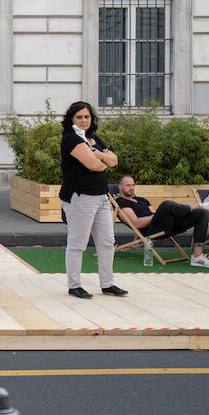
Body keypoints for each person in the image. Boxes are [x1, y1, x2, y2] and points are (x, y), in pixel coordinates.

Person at [59, 101, 127, 299]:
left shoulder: (93, 139)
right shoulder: (71, 139)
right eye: (79, 117)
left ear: (91, 118)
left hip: (101, 196)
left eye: (86, 117)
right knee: (78, 243)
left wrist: (100, 156)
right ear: (72, 119)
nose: (83, 120)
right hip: (80, 197)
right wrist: (102, 159)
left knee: (107, 241)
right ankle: (74, 286)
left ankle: (107, 284)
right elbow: (94, 166)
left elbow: (114, 160)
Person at [114, 175, 209, 268]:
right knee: (166, 205)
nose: (131, 188)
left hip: (166, 226)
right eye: (128, 185)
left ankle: (197, 257)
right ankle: (194, 206)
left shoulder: (142, 200)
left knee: (202, 213)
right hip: (152, 232)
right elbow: (137, 223)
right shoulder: (121, 202)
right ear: (120, 186)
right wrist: (157, 214)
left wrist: (159, 214)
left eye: (133, 185)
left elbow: (155, 213)